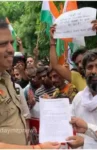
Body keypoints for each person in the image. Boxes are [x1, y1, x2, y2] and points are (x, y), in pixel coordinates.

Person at [0, 19, 60, 149]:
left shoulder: (6, 80)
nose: (11, 49)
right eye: (3, 44)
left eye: (11, 42)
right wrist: (37, 148)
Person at [50, 19, 97, 91]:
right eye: (77, 64)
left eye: (82, 61)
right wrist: (52, 41)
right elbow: (55, 65)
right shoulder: (77, 77)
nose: (80, 65)